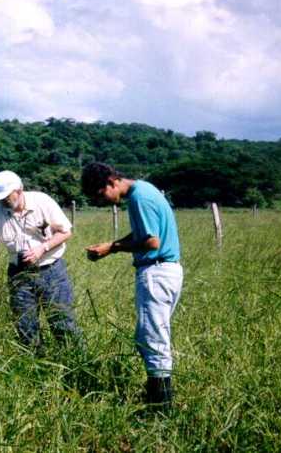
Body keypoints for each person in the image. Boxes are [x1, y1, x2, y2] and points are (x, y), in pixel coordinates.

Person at [81, 162, 182, 413]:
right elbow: (143, 234)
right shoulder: (144, 190)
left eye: (100, 194)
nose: (102, 201)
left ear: (111, 182)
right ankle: (155, 398)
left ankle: (160, 409)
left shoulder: (139, 199)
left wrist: (113, 247)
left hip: (156, 272)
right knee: (146, 337)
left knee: (153, 340)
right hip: (164, 271)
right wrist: (111, 246)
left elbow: (151, 242)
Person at [0, 170, 82, 353]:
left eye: (7, 196)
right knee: (25, 327)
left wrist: (43, 248)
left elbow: (66, 231)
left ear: (19, 190)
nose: (3, 201)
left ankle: (75, 360)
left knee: (62, 323)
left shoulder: (42, 201)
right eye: (0, 198)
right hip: (19, 275)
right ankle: (36, 363)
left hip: (52, 271)